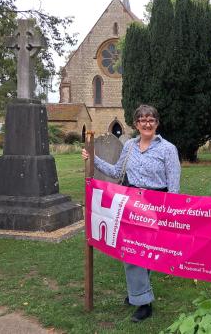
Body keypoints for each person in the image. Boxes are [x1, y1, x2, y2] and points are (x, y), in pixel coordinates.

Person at [82, 104, 181, 322]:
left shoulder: (168, 149)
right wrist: (92, 157)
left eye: (151, 119)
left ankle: (140, 298)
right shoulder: (129, 147)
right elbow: (117, 172)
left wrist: (169, 212)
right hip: (131, 204)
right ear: (136, 124)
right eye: (142, 120)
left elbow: (174, 186)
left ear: (157, 123)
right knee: (133, 252)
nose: (147, 123)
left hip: (156, 205)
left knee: (144, 252)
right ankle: (141, 298)